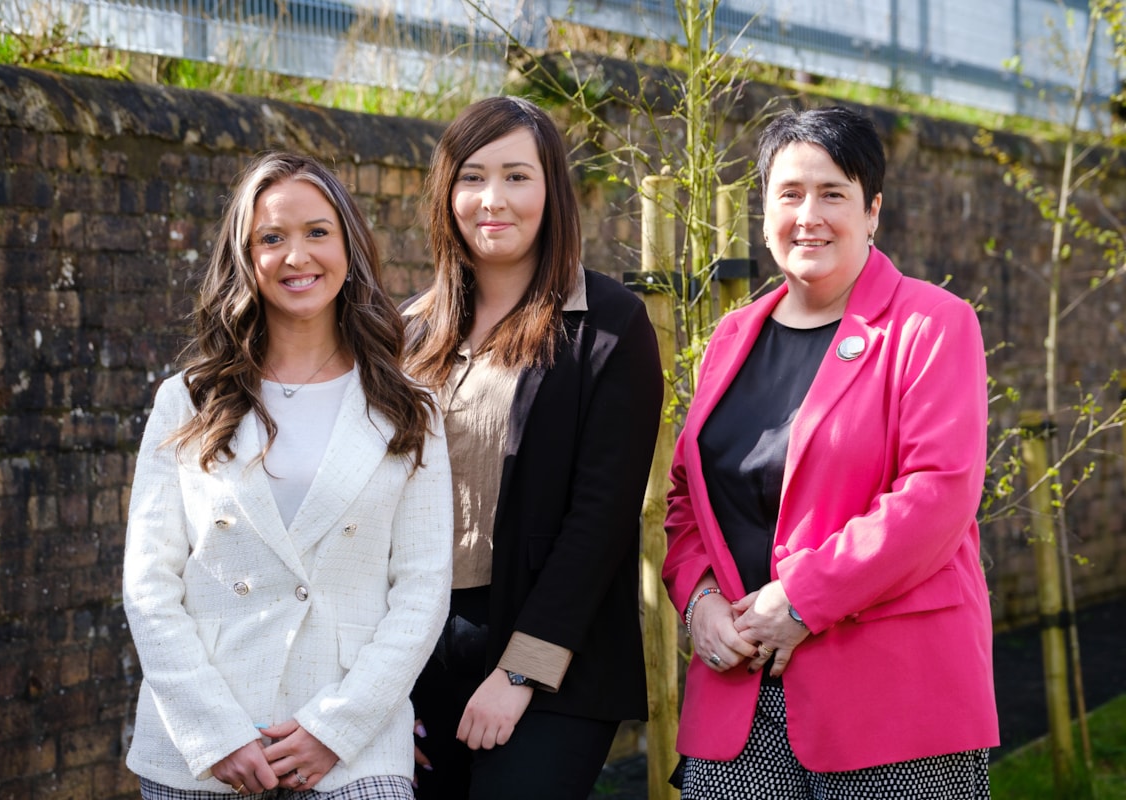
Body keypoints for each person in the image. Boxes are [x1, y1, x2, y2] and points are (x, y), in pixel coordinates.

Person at [663, 106, 998, 799]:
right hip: (737, 697)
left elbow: (938, 493)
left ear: (872, 210)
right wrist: (698, 604)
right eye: (789, 194)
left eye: (833, 193)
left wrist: (804, 599)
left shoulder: (932, 325)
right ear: (764, 214)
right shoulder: (730, 338)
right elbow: (685, 503)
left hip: (892, 702)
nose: (808, 215)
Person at [122, 152, 453, 799]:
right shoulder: (186, 401)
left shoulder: (409, 408)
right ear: (245, 256)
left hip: (355, 752)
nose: (296, 255)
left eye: (316, 232)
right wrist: (217, 733)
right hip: (203, 751)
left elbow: (422, 589)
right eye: (272, 238)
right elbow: (149, 584)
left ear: (349, 245)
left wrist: (336, 728)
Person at [401, 96, 664, 800]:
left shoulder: (610, 325)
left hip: (556, 650)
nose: (494, 199)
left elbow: (602, 516)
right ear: (446, 192)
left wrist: (520, 671)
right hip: (415, 646)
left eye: (517, 176)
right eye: (473, 177)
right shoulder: (408, 334)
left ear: (552, 191)